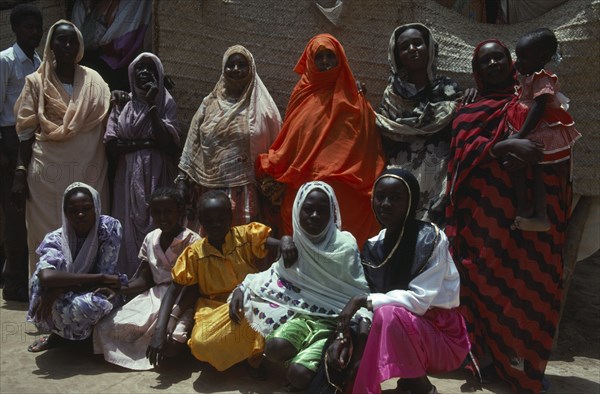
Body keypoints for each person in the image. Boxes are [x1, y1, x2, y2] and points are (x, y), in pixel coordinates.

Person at [446, 39, 571, 393]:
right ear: (476, 70)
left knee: (529, 290)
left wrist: (523, 148)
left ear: (511, 61)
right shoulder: (468, 109)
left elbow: (555, 147)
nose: (493, 65)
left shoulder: (529, 99)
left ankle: (525, 366)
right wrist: (502, 146)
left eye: (498, 57)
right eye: (484, 61)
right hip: (484, 225)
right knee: (485, 285)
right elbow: (460, 153)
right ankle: (488, 359)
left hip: (531, 226)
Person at [322, 168, 469, 394]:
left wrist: (363, 300)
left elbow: (419, 301)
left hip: (442, 335)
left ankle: (422, 386)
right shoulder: (374, 246)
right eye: (380, 197)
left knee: (388, 314)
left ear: (411, 202)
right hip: (404, 329)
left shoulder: (430, 239)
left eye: (396, 198)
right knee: (364, 333)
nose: (385, 204)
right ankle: (406, 381)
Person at [234, 181, 371, 391]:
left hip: (334, 323)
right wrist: (242, 286)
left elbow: (359, 292)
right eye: (308, 209)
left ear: (332, 214)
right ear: (297, 209)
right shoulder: (296, 245)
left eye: (322, 211)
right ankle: (306, 361)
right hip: (302, 316)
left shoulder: (345, 245)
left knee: (297, 376)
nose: (314, 216)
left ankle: (305, 370)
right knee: (272, 348)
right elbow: (273, 274)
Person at [256, 34, 385, 246]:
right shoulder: (302, 93)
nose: (325, 62)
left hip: (348, 191)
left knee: (345, 251)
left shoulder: (355, 96)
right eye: (319, 57)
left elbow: (369, 144)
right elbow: (291, 136)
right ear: (310, 61)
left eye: (330, 56)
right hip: (305, 186)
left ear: (340, 59)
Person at [146, 190, 285, 375]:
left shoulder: (245, 236)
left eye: (221, 219)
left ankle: (252, 359)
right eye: (209, 221)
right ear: (201, 222)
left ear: (230, 216)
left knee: (265, 314)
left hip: (249, 300)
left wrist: (287, 241)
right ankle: (241, 354)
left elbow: (275, 243)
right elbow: (173, 290)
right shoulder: (195, 253)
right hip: (213, 309)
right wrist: (160, 330)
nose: (216, 225)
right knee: (200, 344)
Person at [12, 20, 111, 276]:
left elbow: (106, 117)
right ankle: (45, 296)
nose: (67, 45)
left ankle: (87, 293)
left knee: (89, 231)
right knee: (45, 234)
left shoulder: (95, 81)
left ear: (79, 46)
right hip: (47, 175)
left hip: (90, 169)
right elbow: (25, 131)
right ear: (51, 45)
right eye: (61, 40)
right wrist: (20, 171)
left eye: (72, 40)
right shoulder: (35, 82)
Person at [177, 45, 281, 233]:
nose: (235, 69)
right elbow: (192, 143)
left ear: (251, 70)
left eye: (241, 65)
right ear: (223, 69)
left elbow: (276, 148)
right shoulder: (209, 104)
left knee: (244, 246)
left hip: (247, 194)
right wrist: (182, 180)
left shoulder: (263, 108)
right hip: (208, 191)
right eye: (230, 65)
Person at [93, 187, 200, 370]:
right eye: (157, 212)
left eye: (168, 212)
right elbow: (145, 279)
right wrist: (118, 289)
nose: (163, 217)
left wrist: (173, 316)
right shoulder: (151, 238)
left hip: (182, 301)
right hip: (154, 297)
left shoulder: (192, 241)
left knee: (170, 345)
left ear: (180, 211)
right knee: (105, 328)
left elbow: (195, 287)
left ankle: (178, 348)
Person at [375, 23, 468, 226]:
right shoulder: (392, 96)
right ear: (396, 55)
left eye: (417, 43)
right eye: (404, 47)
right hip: (401, 181)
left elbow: (463, 132)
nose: (412, 50)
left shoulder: (448, 89)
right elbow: (381, 131)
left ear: (429, 48)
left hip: (439, 181)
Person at [104, 52, 182, 277]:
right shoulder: (122, 104)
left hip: (157, 173)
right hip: (127, 175)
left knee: (157, 221)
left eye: (150, 68)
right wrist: (146, 143)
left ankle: (157, 278)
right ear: (131, 74)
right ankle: (130, 280)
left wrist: (151, 105)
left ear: (158, 74)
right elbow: (112, 145)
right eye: (139, 68)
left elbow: (167, 142)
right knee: (127, 224)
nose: (144, 72)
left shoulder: (165, 102)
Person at [26, 182, 124, 352]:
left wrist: (56, 291)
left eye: (86, 209)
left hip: (100, 290)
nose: (80, 215)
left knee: (93, 304)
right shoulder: (55, 238)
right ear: (65, 213)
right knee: (36, 281)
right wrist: (98, 278)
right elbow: (46, 277)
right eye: (73, 211)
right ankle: (60, 335)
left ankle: (82, 338)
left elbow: (106, 278)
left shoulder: (108, 228)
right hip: (75, 290)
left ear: (96, 208)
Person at [506, 28, 581, 231]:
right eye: (517, 56)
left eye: (523, 57)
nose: (518, 62)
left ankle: (540, 214)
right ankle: (525, 207)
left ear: (542, 59)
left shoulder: (541, 77)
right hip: (527, 127)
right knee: (521, 169)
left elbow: (539, 107)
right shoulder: (526, 74)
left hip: (539, 129)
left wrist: (521, 135)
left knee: (537, 172)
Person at [0, 4, 42, 302]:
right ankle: (13, 282)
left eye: (38, 27)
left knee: (31, 215)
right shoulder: (6, 61)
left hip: (32, 144)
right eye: (28, 27)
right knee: (14, 216)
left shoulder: (40, 63)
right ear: (15, 29)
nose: (34, 32)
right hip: (9, 143)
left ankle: (29, 278)